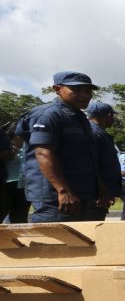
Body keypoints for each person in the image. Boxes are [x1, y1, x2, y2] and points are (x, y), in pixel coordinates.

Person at [15, 71, 108, 223]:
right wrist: (63, 191)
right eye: (76, 90)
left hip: (82, 193)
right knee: (56, 237)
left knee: (84, 237)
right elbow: (43, 154)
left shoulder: (79, 118)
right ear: (57, 89)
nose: (84, 95)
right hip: (57, 197)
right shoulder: (47, 115)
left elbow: (87, 157)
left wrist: (100, 187)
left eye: (87, 91)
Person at [86, 101, 122, 220]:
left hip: (102, 191)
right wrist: (103, 192)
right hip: (96, 194)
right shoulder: (94, 133)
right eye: (113, 116)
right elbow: (93, 165)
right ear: (108, 116)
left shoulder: (99, 132)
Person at [1, 126, 28, 223]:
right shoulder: (7, 148)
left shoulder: (27, 149)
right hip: (7, 184)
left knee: (20, 217)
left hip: (23, 185)